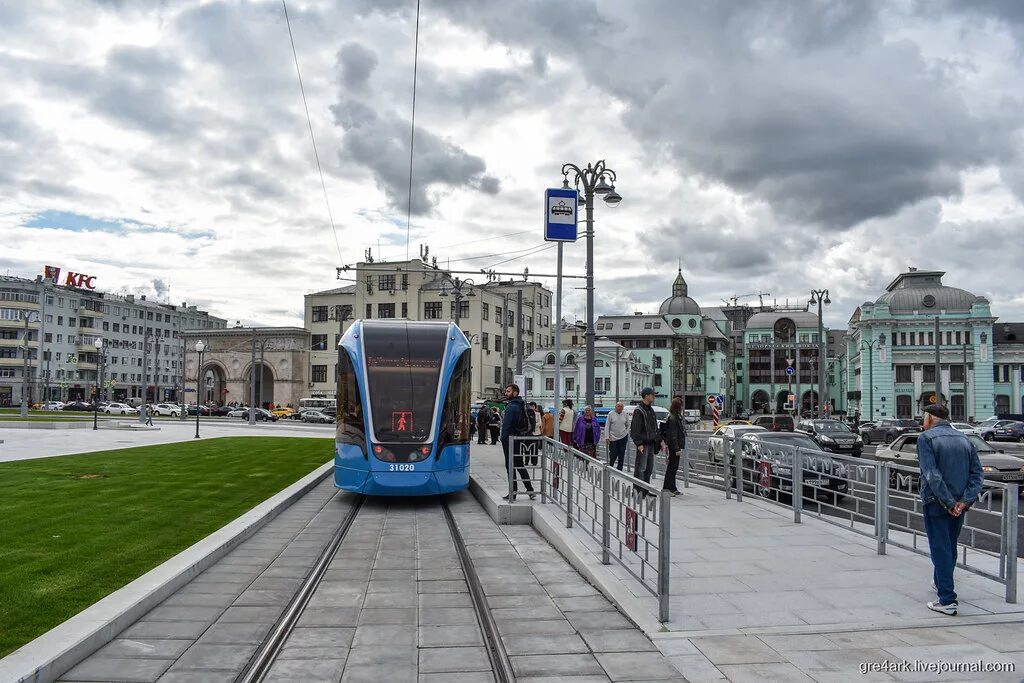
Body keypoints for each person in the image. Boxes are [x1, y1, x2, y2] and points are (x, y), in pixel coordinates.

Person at [917, 403, 983, 616]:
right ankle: (939, 582)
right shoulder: (964, 439)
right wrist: (963, 501)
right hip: (959, 503)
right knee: (950, 546)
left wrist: (947, 502)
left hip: (937, 502)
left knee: (940, 547)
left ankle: (947, 599)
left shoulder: (926, 439)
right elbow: (977, 475)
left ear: (929, 418)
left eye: (923, 417)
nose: (922, 421)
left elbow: (932, 474)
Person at [499, 384, 535, 501]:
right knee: (519, 464)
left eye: (508, 391)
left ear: (515, 393)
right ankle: (530, 490)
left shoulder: (511, 407)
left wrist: (503, 438)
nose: (506, 393)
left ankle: (513, 492)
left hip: (510, 439)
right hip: (519, 439)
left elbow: (507, 425)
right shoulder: (522, 405)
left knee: (510, 466)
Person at [630, 388, 662, 493]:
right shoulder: (639, 411)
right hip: (643, 444)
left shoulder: (651, 410)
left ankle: (645, 490)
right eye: (652, 395)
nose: (654, 397)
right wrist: (639, 444)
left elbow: (654, 427)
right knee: (641, 468)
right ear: (646, 396)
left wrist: (658, 440)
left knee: (649, 469)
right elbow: (635, 429)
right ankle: (638, 490)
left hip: (651, 443)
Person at [662, 397, 686, 496]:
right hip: (674, 447)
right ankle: (667, 489)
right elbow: (673, 434)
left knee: (674, 467)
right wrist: (676, 448)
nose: (682, 407)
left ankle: (673, 488)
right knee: (672, 468)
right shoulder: (673, 417)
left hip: (675, 445)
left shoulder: (675, 416)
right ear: (678, 406)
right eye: (681, 405)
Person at [605, 402, 629, 471]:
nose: (620, 407)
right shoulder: (611, 414)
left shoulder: (625, 414)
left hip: (623, 437)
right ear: (615, 407)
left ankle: (619, 469)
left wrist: (626, 432)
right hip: (613, 437)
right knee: (613, 453)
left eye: (621, 406)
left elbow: (628, 425)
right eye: (618, 406)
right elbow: (607, 426)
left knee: (621, 454)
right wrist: (607, 437)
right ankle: (610, 467)